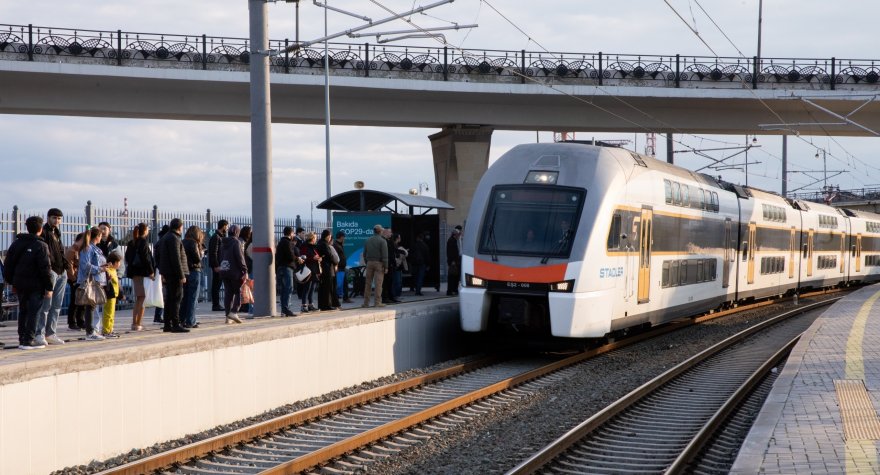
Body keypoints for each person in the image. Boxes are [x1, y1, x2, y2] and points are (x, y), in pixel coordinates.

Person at [3, 216, 53, 349]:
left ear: (27, 227)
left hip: (19, 283)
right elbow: (45, 268)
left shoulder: (16, 243)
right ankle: (29, 340)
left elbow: (8, 264)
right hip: (36, 284)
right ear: (41, 229)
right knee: (34, 311)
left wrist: (10, 281)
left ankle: (22, 339)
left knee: (23, 311)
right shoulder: (41, 245)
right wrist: (49, 286)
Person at [35, 208, 68, 345]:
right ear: (48, 218)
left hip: (61, 272)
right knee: (45, 305)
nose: (57, 220)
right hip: (51, 272)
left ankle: (51, 333)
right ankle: (40, 333)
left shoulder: (57, 233)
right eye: (54, 218)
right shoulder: (44, 232)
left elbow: (60, 251)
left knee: (56, 305)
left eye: (59, 218)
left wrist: (66, 267)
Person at [156, 218, 189, 333]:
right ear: (180, 227)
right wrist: (181, 275)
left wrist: (162, 271)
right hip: (174, 274)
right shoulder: (174, 238)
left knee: (170, 299)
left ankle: (167, 324)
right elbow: (176, 258)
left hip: (168, 272)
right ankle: (175, 323)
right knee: (176, 298)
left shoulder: (166, 237)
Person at [78, 227, 107, 341]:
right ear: (97, 236)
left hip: (96, 280)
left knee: (93, 306)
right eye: (101, 236)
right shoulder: (88, 248)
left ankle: (93, 330)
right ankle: (90, 332)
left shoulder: (93, 249)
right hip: (91, 280)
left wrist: (102, 267)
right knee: (91, 306)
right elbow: (86, 266)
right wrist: (100, 269)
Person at [125, 223, 155, 331]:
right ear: (145, 230)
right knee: (142, 299)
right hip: (143, 273)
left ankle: (134, 322)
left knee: (138, 298)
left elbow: (127, 258)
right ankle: (138, 323)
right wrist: (151, 271)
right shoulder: (143, 242)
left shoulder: (131, 243)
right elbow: (146, 258)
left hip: (134, 273)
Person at [219, 224, 246, 324]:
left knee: (228, 293)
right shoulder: (236, 242)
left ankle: (227, 316)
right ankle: (234, 311)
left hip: (224, 270)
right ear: (237, 232)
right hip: (235, 271)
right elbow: (240, 257)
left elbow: (220, 256)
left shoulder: (223, 242)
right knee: (238, 291)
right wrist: (244, 270)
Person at [181, 225, 205, 328]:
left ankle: (183, 319)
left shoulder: (182, 242)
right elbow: (197, 259)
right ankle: (191, 321)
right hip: (194, 271)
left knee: (185, 297)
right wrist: (202, 254)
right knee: (193, 297)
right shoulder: (193, 243)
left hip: (185, 272)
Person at [275, 226, 302, 316]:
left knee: (284, 289)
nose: (293, 234)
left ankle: (284, 309)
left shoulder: (281, 242)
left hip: (281, 267)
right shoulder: (288, 243)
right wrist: (297, 258)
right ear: (291, 233)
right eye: (293, 233)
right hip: (287, 267)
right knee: (289, 288)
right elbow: (290, 256)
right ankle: (286, 309)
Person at [362, 224, 388, 308]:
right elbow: (385, 255)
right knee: (378, 284)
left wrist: (367, 262)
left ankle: (366, 303)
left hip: (369, 263)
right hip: (379, 264)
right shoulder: (382, 241)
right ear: (380, 231)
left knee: (368, 283)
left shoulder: (368, 240)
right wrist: (386, 266)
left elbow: (364, 253)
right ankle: (377, 302)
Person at [65, 232, 87, 330]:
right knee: (75, 301)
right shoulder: (72, 250)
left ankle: (80, 321)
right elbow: (69, 267)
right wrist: (73, 280)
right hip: (74, 279)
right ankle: (72, 322)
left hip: (80, 278)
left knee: (82, 301)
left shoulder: (80, 250)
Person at [208, 219, 229, 312]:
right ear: (224, 226)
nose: (227, 228)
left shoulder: (221, 236)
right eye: (227, 226)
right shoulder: (216, 237)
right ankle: (215, 304)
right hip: (218, 265)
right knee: (216, 285)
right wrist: (216, 265)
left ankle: (216, 304)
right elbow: (213, 252)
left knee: (218, 284)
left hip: (220, 264)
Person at [298, 232, 321, 312]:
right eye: (315, 237)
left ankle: (310, 304)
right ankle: (304, 305)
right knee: (307, 287)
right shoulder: (304, 246)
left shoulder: (314, 247)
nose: (316, 239)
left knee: (312, 288)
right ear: (312, 238)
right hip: (308, 269)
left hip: (314, 269)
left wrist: (318, 258)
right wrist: (313, 258)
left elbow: (316, 255)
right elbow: (303, 257)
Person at [316, 229, 339, 311]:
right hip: (327, 268)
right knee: (328, 287)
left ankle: (322, 305)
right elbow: (330, 256)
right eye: (329, 236)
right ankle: (327, 305)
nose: (330, 238)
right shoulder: (324, 244)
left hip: (323, 268)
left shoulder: (319, 243)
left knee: (323, 287)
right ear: (326, 236)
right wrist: (336, 262)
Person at [101, 253, 122, 338]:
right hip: (109, 295)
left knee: (112, 313)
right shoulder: (109, 269)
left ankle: (110, 329)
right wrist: (107, 266)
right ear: (114, 262)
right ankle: (106, 331)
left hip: (114, 295)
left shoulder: (114, 270)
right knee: (108, 313)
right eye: (119, 262)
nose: (120, 264)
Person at [152, 224, 170, 324]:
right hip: (162, 270)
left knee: (161, 293)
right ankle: (158, 316)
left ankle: (158, 315)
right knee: (163, 294)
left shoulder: (159, 242)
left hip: (159, 270)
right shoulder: (164, 242)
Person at [381, 228, 400, 303]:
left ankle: (391, 297)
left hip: (391, 264)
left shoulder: (389, 241)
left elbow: (393, 251)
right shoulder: (383, 241)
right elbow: (386, 254)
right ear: (385, 232)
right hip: (387, 264)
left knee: (390, 281)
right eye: (389, 232)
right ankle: (385, 298)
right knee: (386, 282)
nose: (391, 234)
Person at [239, 225, 254, 316]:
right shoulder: (249, 244)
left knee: (248, 288)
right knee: (250, 289)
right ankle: (250, 309)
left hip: (248, 268)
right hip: (249, 268)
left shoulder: (246, 243)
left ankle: (248, 308)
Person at [333, 231, 351, 303]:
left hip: (342, 267)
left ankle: (345, 297)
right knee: (339, 283)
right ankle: (338, 298)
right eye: (344, 237)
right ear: (341, 237)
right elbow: (336, 257)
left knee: (344, 283)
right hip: (339, 267)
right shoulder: (336, 245)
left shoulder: (340, 245)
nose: (345, 238)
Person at [446, 225, 462, 296]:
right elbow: (451, 252)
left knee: (455, 276)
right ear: (455, 234)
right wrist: (453, 261)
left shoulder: (454, 240)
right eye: (458, 234)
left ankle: (454, 290)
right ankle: (450, 290)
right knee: (452, 276)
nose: (459, 235)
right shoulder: (452, 241)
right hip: (454, 262)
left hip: (455, 261)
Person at [392, 233, 407, 301]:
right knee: (397, 281)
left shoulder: (397, 245)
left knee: (399, 281)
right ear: (397, 238)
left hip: (398, 266)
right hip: (396, 266)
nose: (400, 239)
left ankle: (397, 295)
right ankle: (396, 295)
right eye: (399, 237)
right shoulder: (394, 245)